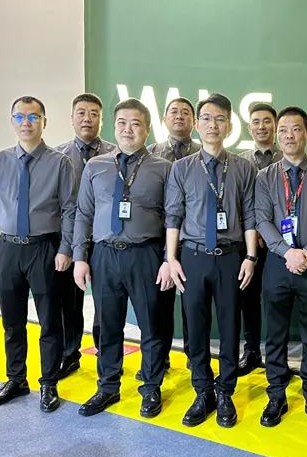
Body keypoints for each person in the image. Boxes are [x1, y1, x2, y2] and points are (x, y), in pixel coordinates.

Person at [72, 98, 173, 417]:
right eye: (122, 123)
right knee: (107, 325)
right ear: (114, 127)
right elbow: (83, 213)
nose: (128, 129)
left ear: (147, 129)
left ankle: (151, 387)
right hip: (103, 255)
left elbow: (173, 218)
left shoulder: (164, 168)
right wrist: (80, 257)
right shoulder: (95, 166)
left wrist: (168, 259)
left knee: (151, 325)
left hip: (146, 255)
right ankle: (107, 386)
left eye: (136, 123)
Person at [165, 93, 258, 429]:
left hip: (231, 257)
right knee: (196, 327)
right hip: (192, 257)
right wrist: (171, 258)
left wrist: (251, 256)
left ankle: (226, 392)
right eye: (206, 118)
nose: (212, 124)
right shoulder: (181, 168)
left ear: (229, 126)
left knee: (231, 327)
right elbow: (173, 216)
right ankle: (203, 390)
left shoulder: (244, 168)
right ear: (196, 124)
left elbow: (250, 215)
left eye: (219, 119)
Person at [0, 96, 76, 412]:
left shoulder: (60, 163)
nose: (26, 123)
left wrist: (65, 248)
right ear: (12, 121)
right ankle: (16, 379)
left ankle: (49, 382)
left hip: (45, 248)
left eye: (33, 117)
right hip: (8, 249)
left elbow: (70, 209)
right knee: (12, 321)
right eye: (20, 117)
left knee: (50, 320)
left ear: (44, 122)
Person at [255, 107, 307, 430]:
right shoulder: (265, 176)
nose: (289, 135)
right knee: (275, 335)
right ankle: (276, 394)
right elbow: (262, 219)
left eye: (296, 129)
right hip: (278, 266)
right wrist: (287, 252)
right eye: (283, 130)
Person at [54, 93, 116, 379]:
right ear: (72, 118)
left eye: (94, 114)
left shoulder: (116, 155)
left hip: (104, 240)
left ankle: (107, 354)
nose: (87, 119)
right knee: (69, 302)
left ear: (101, 120)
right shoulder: (57, 156)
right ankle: (69, 354)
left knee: (106, 304)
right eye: (81, 113)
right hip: (69, 241)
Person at [147, 97, 201, 372]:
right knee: (159, 302)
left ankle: (194, 355)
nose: (179, 116)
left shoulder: (205, 153)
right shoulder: (150, 154)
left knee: (193, 304)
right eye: (174, 112)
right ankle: (160, 358)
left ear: (194, 121)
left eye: (185, 112)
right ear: (165, 119)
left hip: (193, 240)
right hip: (160, 240)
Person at [237, 102, 283, 375]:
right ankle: (251, 350)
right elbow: (239, 203)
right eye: (256, 121)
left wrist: (270, 234)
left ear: (275, 126)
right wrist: (254, 233)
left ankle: (277, 356)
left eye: (267, 121)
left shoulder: (288, 156)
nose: (262, 126)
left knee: (277, 298)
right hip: (249, 243)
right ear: (249, 127)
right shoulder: (239, 161)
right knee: (249, 297)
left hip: (282, 243)